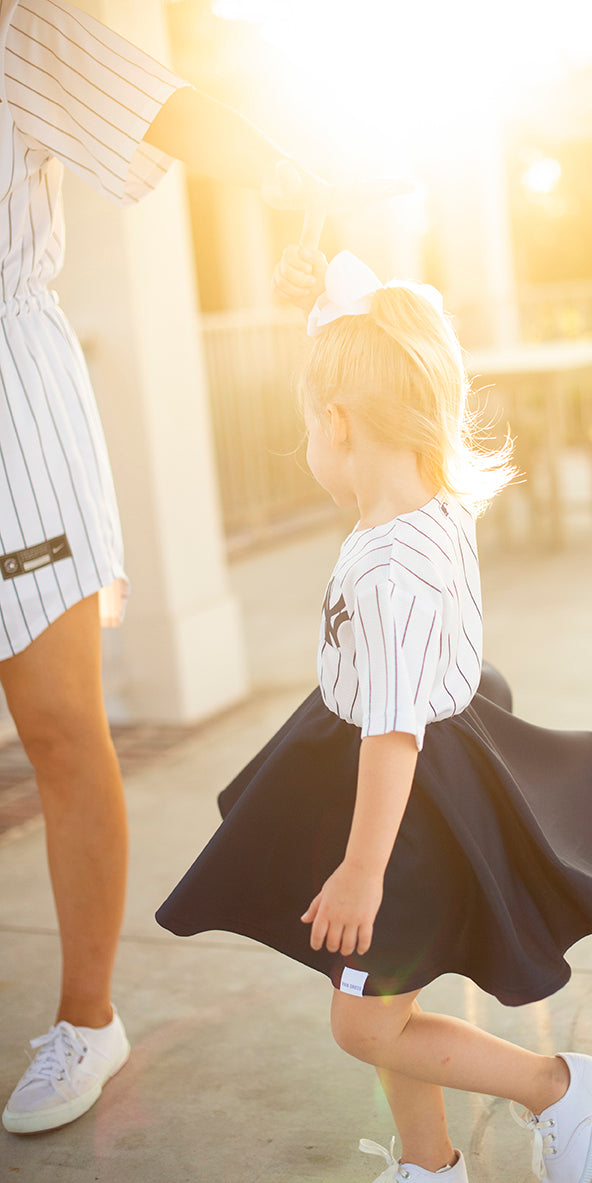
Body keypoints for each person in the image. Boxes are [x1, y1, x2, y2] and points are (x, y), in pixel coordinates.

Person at [156, 248, 592, 1183]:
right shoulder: (429, 509)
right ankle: (429, 1163)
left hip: (402, 806)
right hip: (396, 777)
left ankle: (555, 1084)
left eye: (306, 425)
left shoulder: (390, 568)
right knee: (384, 985)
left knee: (363, 1018)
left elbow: (391, 736)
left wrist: (359, 868)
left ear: (339, 425)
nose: (304, 446)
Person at [0, 0, 323, 1136]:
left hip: (13, 418)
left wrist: (290, 172)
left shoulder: (15, 28)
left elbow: (161, 105)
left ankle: (88, 1018)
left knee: (56, 725)